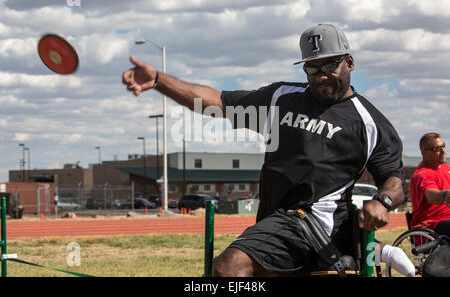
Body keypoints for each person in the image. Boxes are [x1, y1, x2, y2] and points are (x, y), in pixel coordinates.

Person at [122, 24, 406, 276]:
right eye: (312, 68)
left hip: (316, 221)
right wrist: (159, 80)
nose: (321, 76)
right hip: (274, 221)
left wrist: (382, 201)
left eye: (329, 66)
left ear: (349, 62)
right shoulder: (281, 99)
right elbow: (216, 102)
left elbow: (394, 179)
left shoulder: (368, 121)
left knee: (229, 267)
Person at [409, 132, 450, 237]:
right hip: (432, 225)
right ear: (424, 153)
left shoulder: (446, 168)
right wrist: (445, 194)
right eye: (437, 149)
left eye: (443, 146)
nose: (443, 151)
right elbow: (430, 195)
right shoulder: (423, 175)